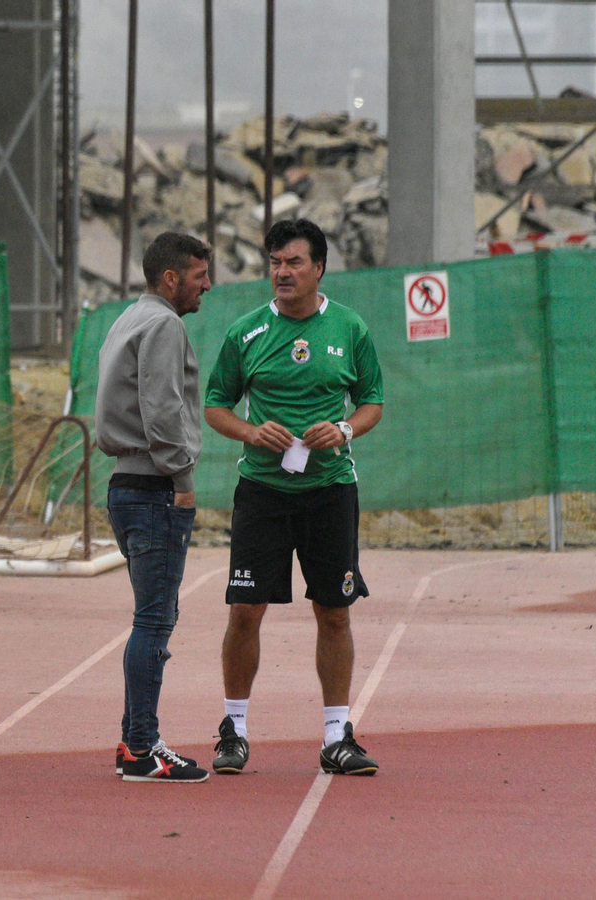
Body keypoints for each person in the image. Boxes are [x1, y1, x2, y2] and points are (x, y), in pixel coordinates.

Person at [202, 218, 385, 777]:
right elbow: (215, 404)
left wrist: (346, 429)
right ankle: (233, 730)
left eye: (294, 262)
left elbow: (373, 400)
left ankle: (337, 736)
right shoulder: (246, 333)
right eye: (275, 262)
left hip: (330, 491)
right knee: (245, 610)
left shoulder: (350, 328)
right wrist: (250, 432)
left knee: (333, 611)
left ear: (319, 268)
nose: (282, 272)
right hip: (262, 492)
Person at [96, 231, 213, 783]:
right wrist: (182, 476)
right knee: (154, 621)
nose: (206, 285)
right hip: (153, 488)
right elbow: (162, 409)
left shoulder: (129, 317)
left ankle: (134, 742)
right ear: (171, 278)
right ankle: (142, 748)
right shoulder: (165, 324)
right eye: (198, 275)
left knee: (152, 618)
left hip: (126, 484)